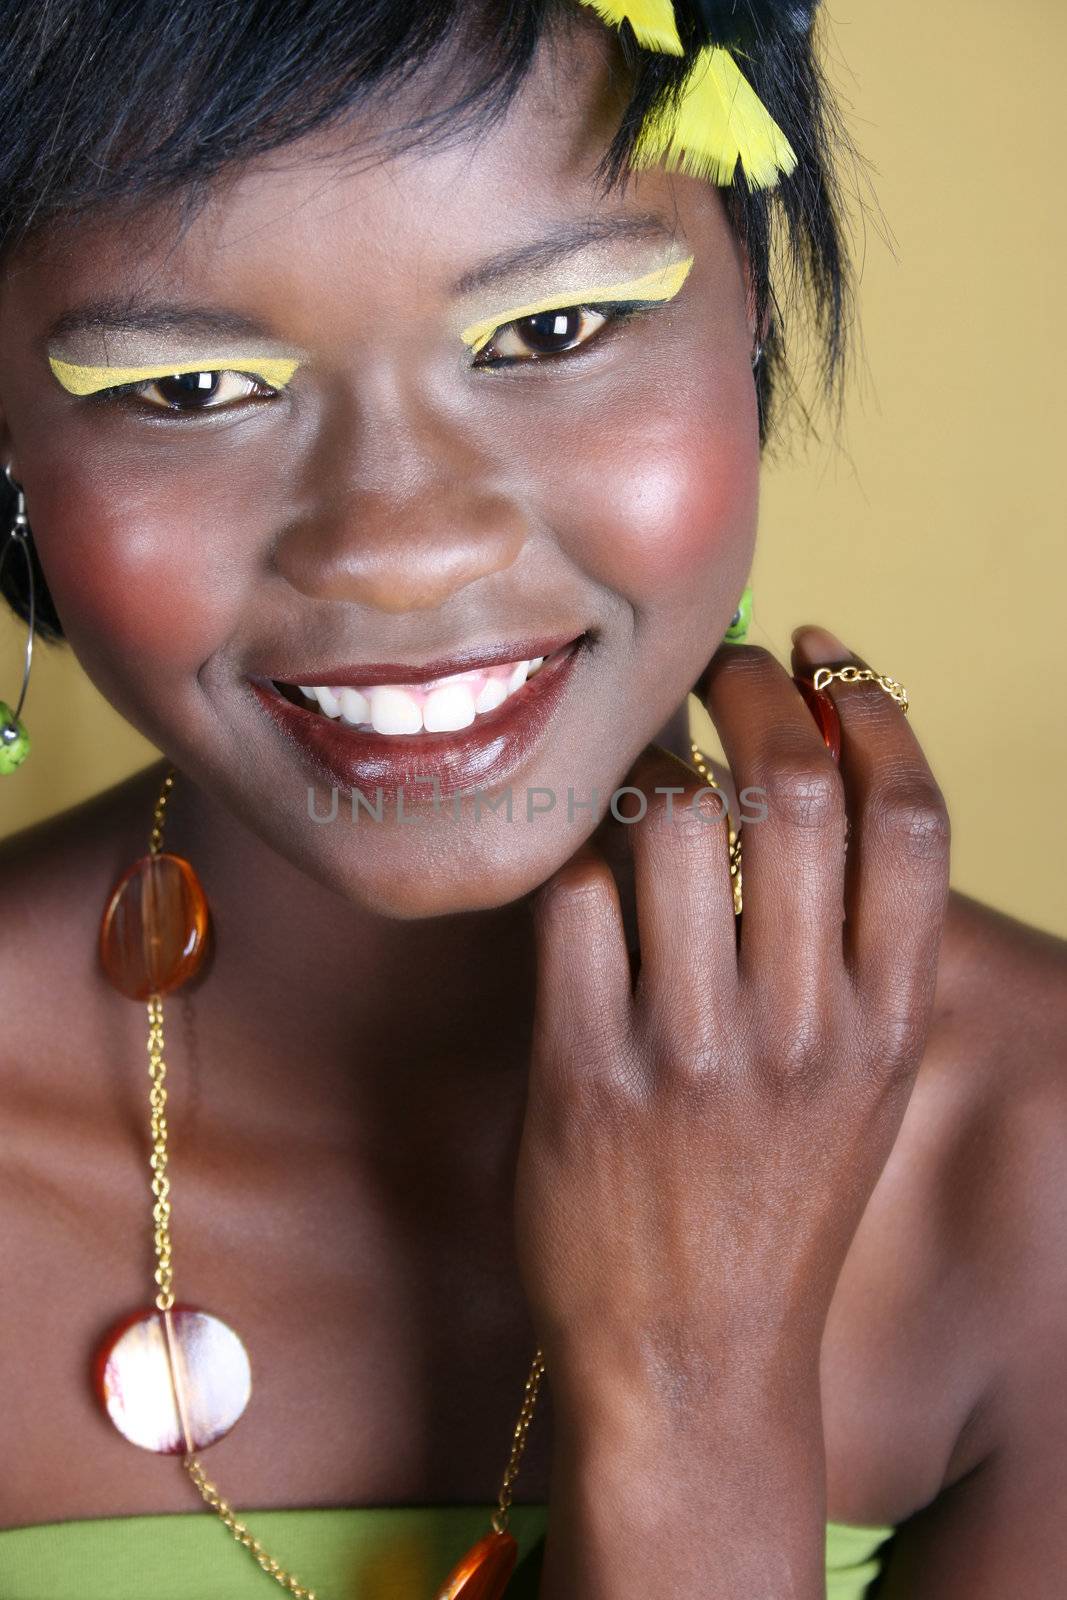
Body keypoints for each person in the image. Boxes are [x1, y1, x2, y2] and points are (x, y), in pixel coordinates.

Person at [0, 1, 1064, 1596]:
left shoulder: (1038, 1163)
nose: (398, 543)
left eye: (553, 332)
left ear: (752, 312)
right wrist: (688, 1407)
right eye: (196, 386)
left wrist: (696, 1382)